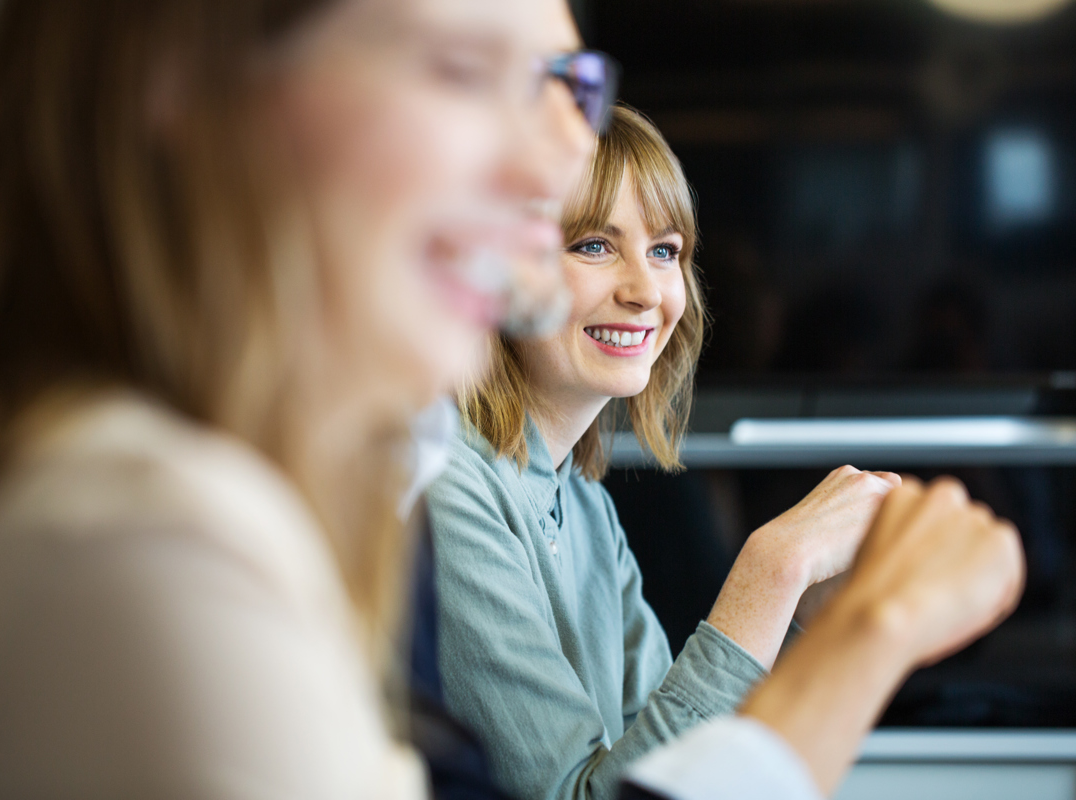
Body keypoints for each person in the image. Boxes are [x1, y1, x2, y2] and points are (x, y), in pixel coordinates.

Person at [0, 0, 602, 794]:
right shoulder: (147, 529)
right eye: (461, 69)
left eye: (564, 87)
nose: (560, 165)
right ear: (180, 69)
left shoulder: (312, 502)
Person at [423, 106, 1019, 800]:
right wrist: (773, 569)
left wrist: (801, 611)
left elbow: (674, 768)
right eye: (593, 245)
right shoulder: (447, 489)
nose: (645, 290)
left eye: (664, 250)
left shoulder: (581, 502)